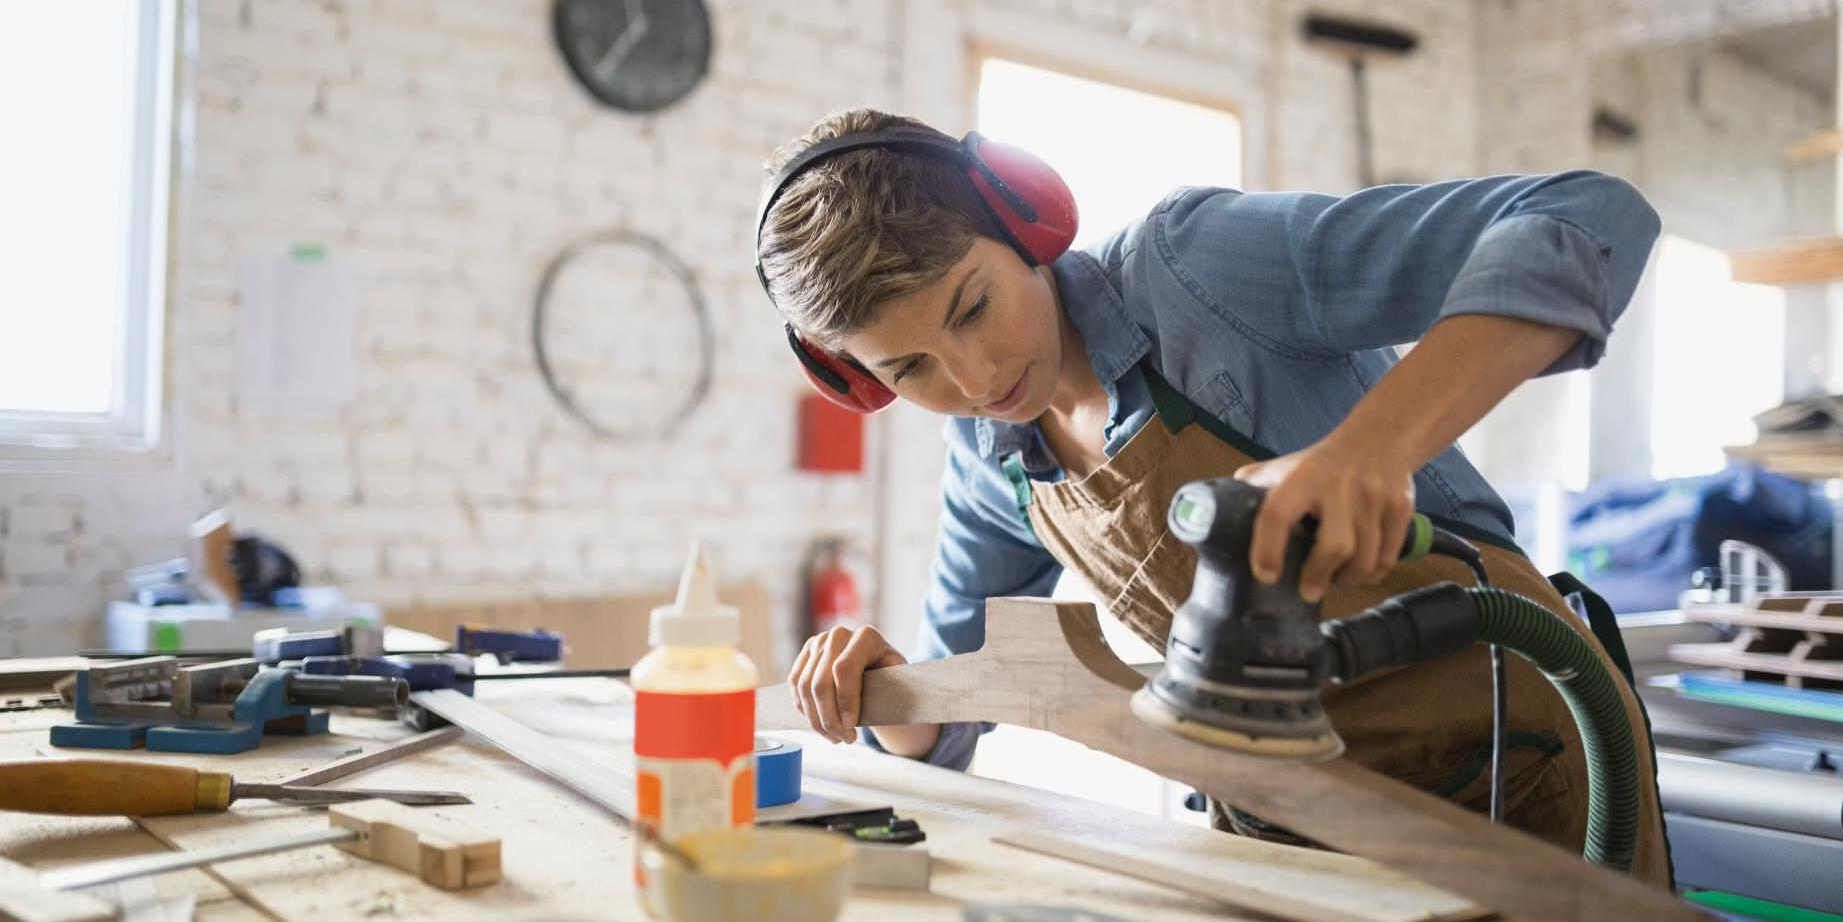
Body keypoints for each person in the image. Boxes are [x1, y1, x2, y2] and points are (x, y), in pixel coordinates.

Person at [755, 107, 1670, 885]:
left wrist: (1371, 450)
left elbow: (1585, 215)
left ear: (1024, 219)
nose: (976, 377)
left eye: (972, 308)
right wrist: (881, 690)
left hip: (1518, 758)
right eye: (909, 368)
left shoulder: (1196, 270)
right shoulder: (989, 456)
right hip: (1293, 823)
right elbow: (948, 722)